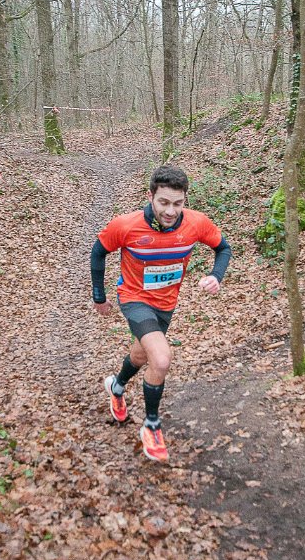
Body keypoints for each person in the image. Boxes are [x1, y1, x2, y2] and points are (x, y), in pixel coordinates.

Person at [91, 165, 231, 462]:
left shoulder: (196, 223)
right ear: (150, 196)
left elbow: (223, 249)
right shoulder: (125, 226)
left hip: (166, 303)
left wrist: (216, 276)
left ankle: (116, 386)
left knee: (142, 354)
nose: (170, 211)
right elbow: (98, 252)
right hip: (134, 299)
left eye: (178, 203)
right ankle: (152, 425)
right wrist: (99, 297)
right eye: (163, 202)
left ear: (185, 200)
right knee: (162, 357)